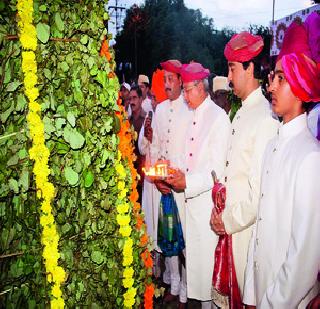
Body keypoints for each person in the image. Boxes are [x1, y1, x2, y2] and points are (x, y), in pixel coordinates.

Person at [243, 13, 320, 308]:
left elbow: (303, 256)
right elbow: (260, 229)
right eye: (272, 78)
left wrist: (269, 303)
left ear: (301, 84)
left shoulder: (310, 156)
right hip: (262, 293)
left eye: (281, 78)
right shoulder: (272, 145)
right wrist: (251, 293)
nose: (271, 87)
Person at [210, 31, 279, 304]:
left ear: (250, 68)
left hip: (245, 235)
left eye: (233, 68)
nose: (228, 77)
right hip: (231, 231)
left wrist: (225, 222)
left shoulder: (264, 117)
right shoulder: (241, 112)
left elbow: (258, 194)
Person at [166, 62, 231, 308]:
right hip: (189, 206)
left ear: (202, 88)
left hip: (207, 208)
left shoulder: (218, 118)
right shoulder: (193, 116)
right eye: (183, 90)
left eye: (187, 90)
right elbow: (187, 157)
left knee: (208, 273)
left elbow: (216, 169)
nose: (184, 95)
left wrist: (187, 181)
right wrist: (172, 170)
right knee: (196, 267)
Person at [141, 60, 192, 308]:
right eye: (165, 80)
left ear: (181, 81)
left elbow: (189, 150)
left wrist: (175, 178)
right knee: (169, 236)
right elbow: (158, 146)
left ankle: (186, 291)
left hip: (183, 184)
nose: (167, 84)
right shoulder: (160, 109)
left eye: (172, 79)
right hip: (165, 185)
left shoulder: (189, 107)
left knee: (186, 241)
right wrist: (160, 179)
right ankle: (173, 284)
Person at [128, 85, 147, 200]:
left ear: (141, 99)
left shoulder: (147, 119)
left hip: (143, 174)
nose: (132, 102)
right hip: (130, 172)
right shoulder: (127, 121)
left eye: (134, 98)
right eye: (130, 99)